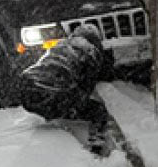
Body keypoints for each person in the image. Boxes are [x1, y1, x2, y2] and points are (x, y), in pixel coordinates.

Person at [19, 24, 114, 156]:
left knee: (57, 102)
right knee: (97, 111)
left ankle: (51, 112)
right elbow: (87, 85)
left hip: (27, 88)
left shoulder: (60, 45)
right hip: (55, 91)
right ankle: (97, 146)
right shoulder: (90, 51)